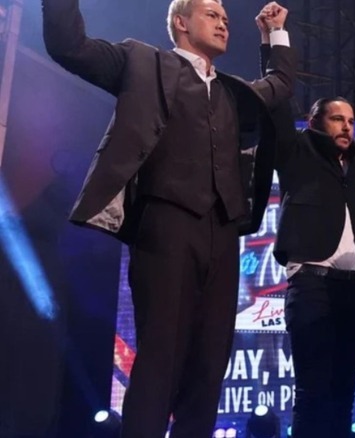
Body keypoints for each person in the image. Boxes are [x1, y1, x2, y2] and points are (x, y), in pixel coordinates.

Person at [41, 0, 296, 436]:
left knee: (210, 362)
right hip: (165, 224)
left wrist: (275, 33)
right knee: (161, 355)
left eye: (226, 19)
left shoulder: (235, 92)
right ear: (180, 22)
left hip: (222, 230)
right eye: (212, 15)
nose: (223, 23)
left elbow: (282, 82)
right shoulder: (142, 62)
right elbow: (69, 45)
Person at [270, 37, 355, 438]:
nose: (348, 126)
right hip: (312, 284)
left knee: (345, 394)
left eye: (350, 120)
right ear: (315, 124)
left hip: (354, 289)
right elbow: (277, 107)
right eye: (337, 120)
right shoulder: (295, 153)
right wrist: (274, 40)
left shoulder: (352, 161)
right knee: (313, 393)